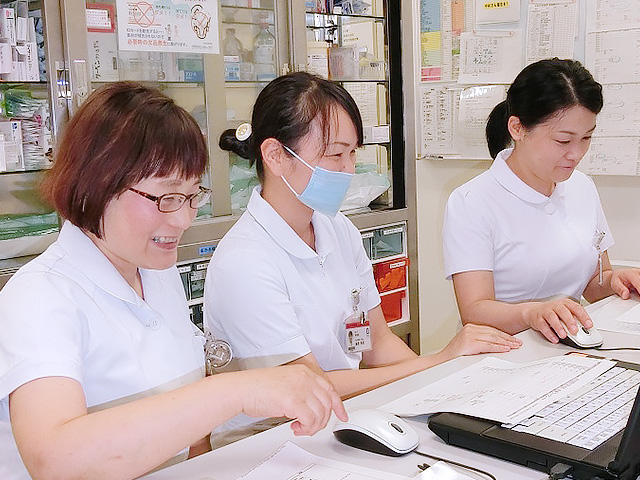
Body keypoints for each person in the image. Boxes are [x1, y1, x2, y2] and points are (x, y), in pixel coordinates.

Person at [0, 82, 346, 480]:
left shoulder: (155, 275)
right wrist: (238, 391)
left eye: (190, 195)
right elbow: (55, 458)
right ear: (97, 183)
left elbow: (191, 435)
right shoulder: (39, 296)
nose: (182, 219)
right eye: (165, 198)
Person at [204, 72, 520, 413]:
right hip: (270, 436)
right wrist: (438, 361)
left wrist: (440, 390)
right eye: (334, 154)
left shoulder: (337, 229)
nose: (348, 169)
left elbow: (378, 343)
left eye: (353, 153)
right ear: (276, 155)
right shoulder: (245, 262)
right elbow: (306, 386)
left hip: (342, 415)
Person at [442, 58, 640, 344]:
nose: (576, 154)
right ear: (518, 129)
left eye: (586, 138)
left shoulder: (581, 186)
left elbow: (593, 282)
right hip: (501, 352)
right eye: (563, 140)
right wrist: (531, 314)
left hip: (568, 346)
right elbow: (474, 310)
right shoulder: (472, 202)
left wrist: (615, 281)